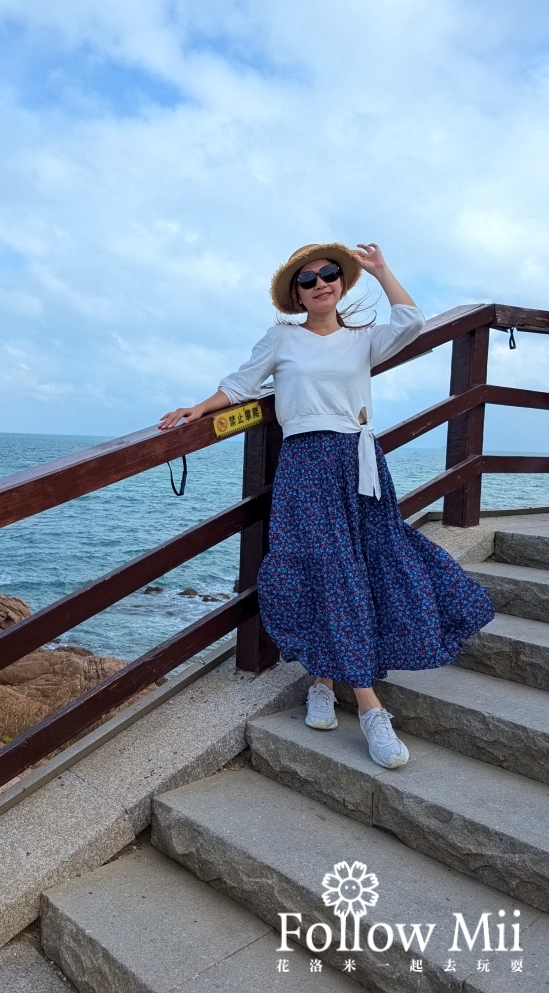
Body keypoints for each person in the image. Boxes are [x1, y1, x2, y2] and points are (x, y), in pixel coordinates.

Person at [158, 241, 495, 770]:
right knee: (328, 572)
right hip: (305, 465)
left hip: (358, 460)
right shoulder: (282, 339)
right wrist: (200, 408)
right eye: (308, 280)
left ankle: (322, 679)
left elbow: (411, 321)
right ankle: (370, 709)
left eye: (329, 274)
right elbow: (242, 385)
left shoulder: (363, 340)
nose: (320, 284)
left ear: (342, 281)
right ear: (296, 294)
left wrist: (382, 270)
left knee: (365, 565)